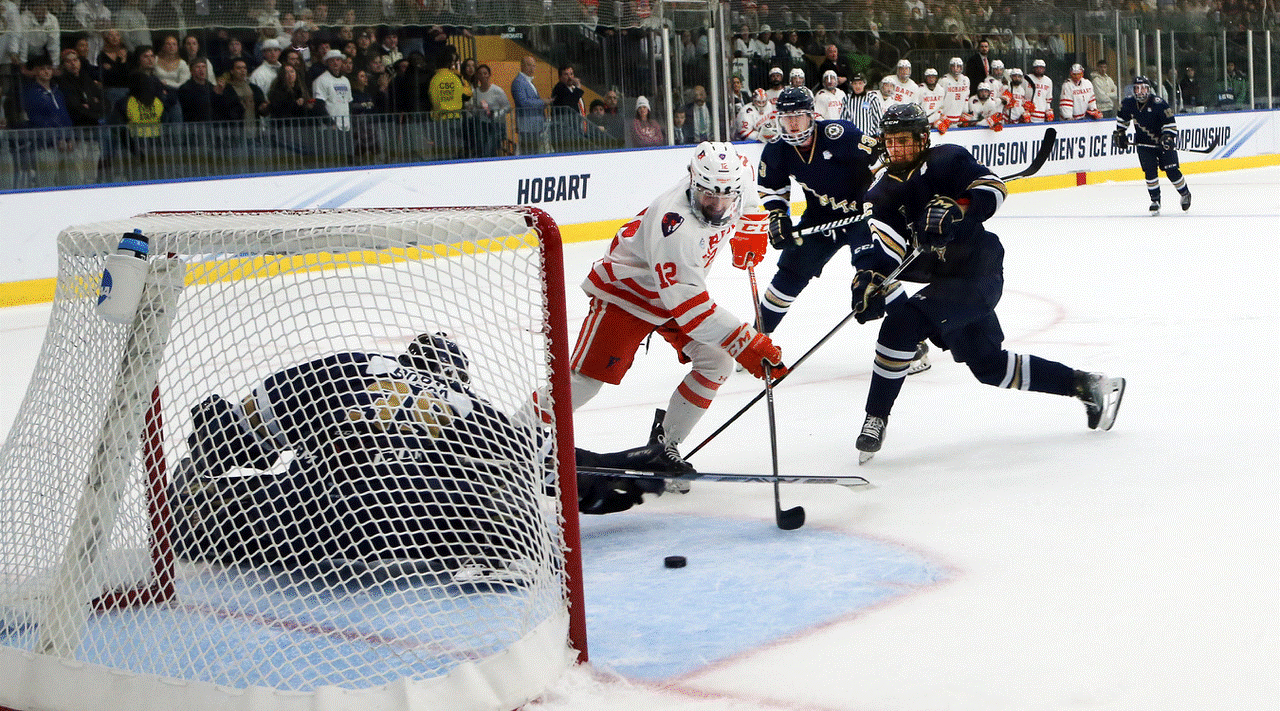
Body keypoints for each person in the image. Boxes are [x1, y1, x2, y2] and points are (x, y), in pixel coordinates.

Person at [849, 103, 1125, 460]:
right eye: (891, 141)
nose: (898, 148)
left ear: (922, 139)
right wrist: (869, 280)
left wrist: (958, 208)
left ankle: (875, 417)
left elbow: (993, 188)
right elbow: (887, 248)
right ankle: (1088, 385)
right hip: (946, 282)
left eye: (905, 140)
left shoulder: (946, 160)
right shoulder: (880, 194)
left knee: (901, 324)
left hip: (979, 272)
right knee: (990, 367)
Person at [170, 334, 542, 581]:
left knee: (191, 525)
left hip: (316, 514)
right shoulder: (466, 405)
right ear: (456, 376)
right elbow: (537, 460)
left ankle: (201, 509)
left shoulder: (352, 364)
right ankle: (490, 530)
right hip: (405, 527)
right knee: (472, 491)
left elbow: (239, 432)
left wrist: (209, 446)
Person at [569, 142, 785, 487]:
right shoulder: (676, 225)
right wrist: (748, 341)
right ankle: (512, 443)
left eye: (725, 198)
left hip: (676, 295)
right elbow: (693, 312)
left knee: (716, 362)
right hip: (629, 293)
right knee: (585, 382)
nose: (717, 206)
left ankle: (664, 448)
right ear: (693, 181)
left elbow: (749, 194)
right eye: (708, 197)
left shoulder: (733, 176)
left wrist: (753, 228)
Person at [754, 86, 881, 337]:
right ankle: (756, 339)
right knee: (791, 270)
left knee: (875, 272)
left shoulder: (839, 134)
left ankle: (909, 341)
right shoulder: (777, 150)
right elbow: (771, 190)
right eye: (786, 118)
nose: (791, 124)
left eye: (797, 116)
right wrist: (779, 216)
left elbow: (881, 162)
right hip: (820, 219)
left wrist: (879, 201)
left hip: (862, 216)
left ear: (812, 115)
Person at [1112, 75, 1192, 216]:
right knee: (1150, 172)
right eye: (1137, 88)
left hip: (1163, 144)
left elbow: (1170, 124)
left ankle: (1185, 194)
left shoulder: (1159, 103)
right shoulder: (1128, 103)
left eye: (1143, 88)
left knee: (1171, 171)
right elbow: (1122, 120)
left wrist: (1167, 138)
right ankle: (1155, 201)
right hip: (1144, 144)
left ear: (1149, 89)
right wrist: (1121, 133)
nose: (1140, 91)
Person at [466, 63, 509, 157]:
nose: (483, 76)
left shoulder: (497, 90)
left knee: (490, 148)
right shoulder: (476, 92)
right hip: (482, 124)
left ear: (489, 75)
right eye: (480, 74)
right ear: (477, 76)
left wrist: (495, 114)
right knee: (482, 148)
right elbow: (474, 109)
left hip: (495, 124)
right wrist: (474, 109)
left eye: (485, 73)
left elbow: (507, 107)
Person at [511, 55, 546, 154]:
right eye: (529, 65)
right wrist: (542, 102)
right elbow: (523, 102)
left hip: (534, 125)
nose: (532, 68)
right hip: (527, 126)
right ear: (522, 66)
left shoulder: (529, 82)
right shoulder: (519, 82)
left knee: (534, 152)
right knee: (529, 153)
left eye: (534, 66)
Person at [312, 48, 351, 129]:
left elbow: (349, 102)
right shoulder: (320, 80)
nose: (335, 62)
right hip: (330, 128)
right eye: (332, 60)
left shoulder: (346, 80)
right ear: (327, 63)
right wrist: (330, 123)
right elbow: (319, 105)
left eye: (338, 60)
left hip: (346, 125)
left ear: (341, 62)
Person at [936, 57, 969, 133]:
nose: (956, 69)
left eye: (958, 66)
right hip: (945, 118)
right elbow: (939, 99)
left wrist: (965, 112)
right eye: (953, 66)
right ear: (950, 67)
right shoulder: (943, 80)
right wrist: (940, 115)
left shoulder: (966, 80)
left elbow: (966, 97)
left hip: (959, 118)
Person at [1027, 58, 1053, 123]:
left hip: (1042, 114)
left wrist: (1048, 110)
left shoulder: (1048, 81)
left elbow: (1048, 99)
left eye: (1041, 68)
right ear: (1033, 68)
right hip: (1029, 114)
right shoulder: (1027, 78)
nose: (1039, 70)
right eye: (1037, 68)